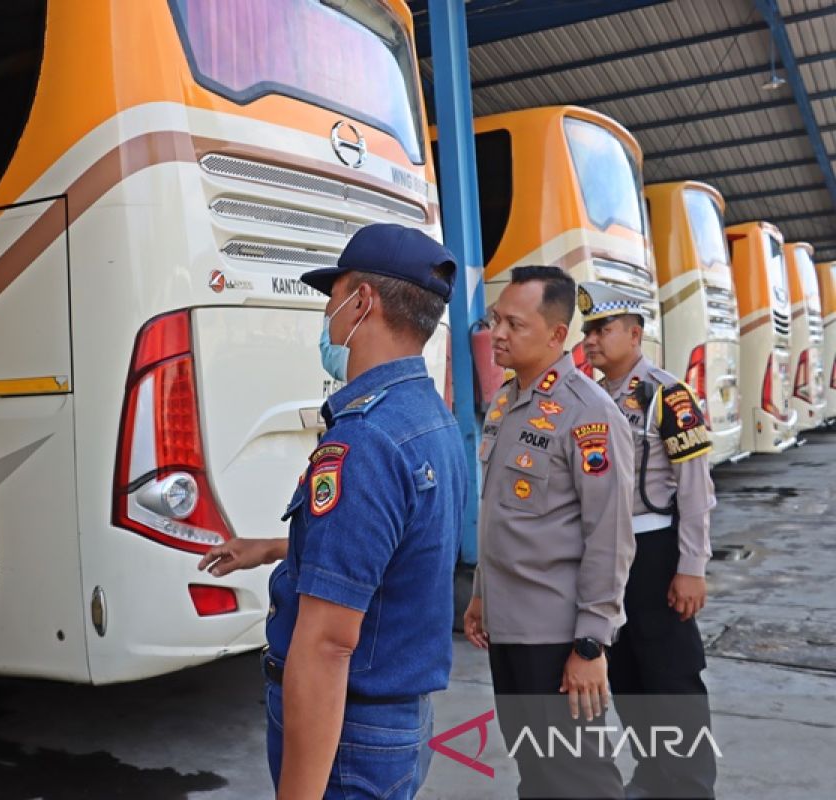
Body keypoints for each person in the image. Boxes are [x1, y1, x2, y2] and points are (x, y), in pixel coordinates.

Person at [198, 223, 466, 799]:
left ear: (361, 302)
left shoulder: (366, 440)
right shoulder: (429, 418)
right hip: (392, 723)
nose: (328, 317)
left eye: (331, 298)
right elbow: (395, 554)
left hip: (350, 734)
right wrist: (272, 548)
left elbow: (326, 645)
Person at [463, 266, 635, 799]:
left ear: (558, 335)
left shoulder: (590, 414)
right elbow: (498, 512)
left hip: (557, 639)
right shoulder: (505, 402)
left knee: (579, 779)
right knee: (535, 774)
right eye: (496, 321)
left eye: (514, 324)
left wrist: (590, 644)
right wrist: (479, 595)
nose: (498, 334)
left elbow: (609, 536)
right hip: (507, 630)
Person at [578, 281, 717, 799]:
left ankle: (690, 785)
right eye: (587, 331)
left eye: (602, 329)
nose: (591, 340)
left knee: (671, 676)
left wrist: (692, 566)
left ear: (634, 334)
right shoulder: (589, 397)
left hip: (657, 554)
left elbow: (696, 489)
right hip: (609, 559)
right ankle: (654, 775)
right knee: (629, 673)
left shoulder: (668, 394)